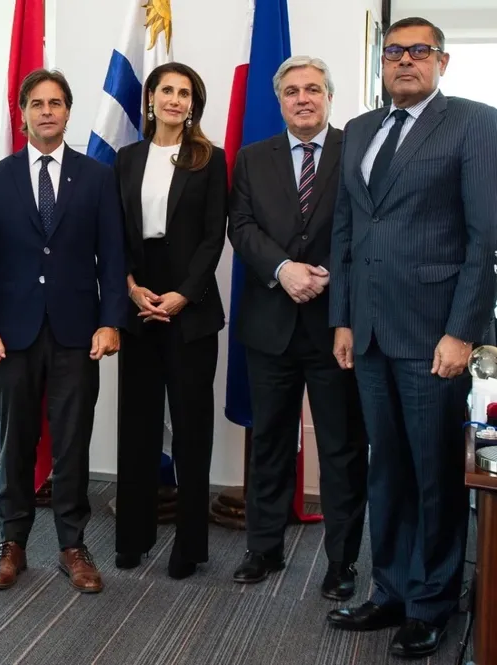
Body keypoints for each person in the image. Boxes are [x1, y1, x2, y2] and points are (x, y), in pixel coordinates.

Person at [326, 18, 497, 659]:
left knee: (434, 477)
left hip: (433, 336)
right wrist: (343, 318)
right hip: (370, 332)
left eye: (419, 51)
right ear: (381, 61)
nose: (405, 60)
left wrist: (462, 332)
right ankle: (391, 590)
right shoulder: (361, 129)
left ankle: (432, 603)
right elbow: (346, 231)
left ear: (441, 62)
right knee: (388, 470)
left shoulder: (475, 123)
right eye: (393, 51)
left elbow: (484, 239)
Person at [0, 68, 127, 594]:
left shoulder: (97, 177)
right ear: (23, 113)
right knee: (17, 440)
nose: (47, 111)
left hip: (78, 332)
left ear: (68, 111)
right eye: (37, 103)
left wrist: (110, 321)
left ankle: (72, 545)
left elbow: (113, 256)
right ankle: (11, 542)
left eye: (56, 103)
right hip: (12, 334)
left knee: (72, 441)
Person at [227, 56, 368, 599]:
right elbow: (241, 226)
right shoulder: (252, 157)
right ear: (280, 100)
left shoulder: (357, 150)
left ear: (329, 96)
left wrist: (326, 274)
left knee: (341, 447)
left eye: (313, 89)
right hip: (270, 324)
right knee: (269, 441)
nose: (303, 98)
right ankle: (263, 547)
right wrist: (284, 269)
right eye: (292, 91)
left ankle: (341, 561)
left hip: (336, 326)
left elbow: (366, 226)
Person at [112, 62, 227, 579]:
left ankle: (189, 546)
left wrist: (183, 294)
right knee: (136, 427)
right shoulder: (127, 158)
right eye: (167, 91)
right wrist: (130, 287)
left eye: (185, 93)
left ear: (193, 105)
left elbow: (214, 235)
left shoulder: (211, 159)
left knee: (191, 431)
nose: (175, 100)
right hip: (140, 303)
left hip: (190, 307)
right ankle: (132, 538)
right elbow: (115, 232)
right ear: (151, 99)